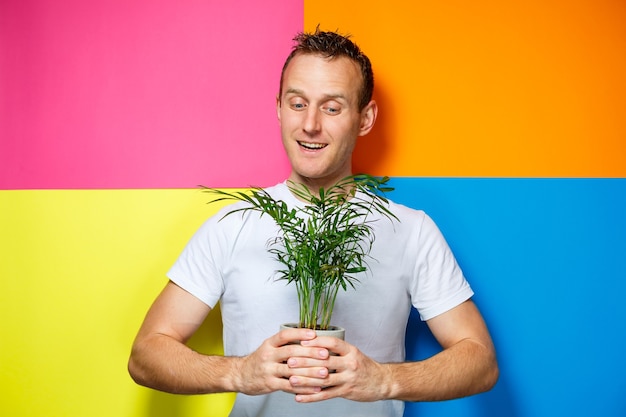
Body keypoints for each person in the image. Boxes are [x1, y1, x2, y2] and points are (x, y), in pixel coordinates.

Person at [128, 28, 498, 416]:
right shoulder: (232, 225)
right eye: (298, 103)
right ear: (279, 108)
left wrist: (383, 381)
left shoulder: (410, 230)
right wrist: (240, 372)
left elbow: (480, 360)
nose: (310, 125)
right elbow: (146, 354)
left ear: (365, 118)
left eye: (332, 107)